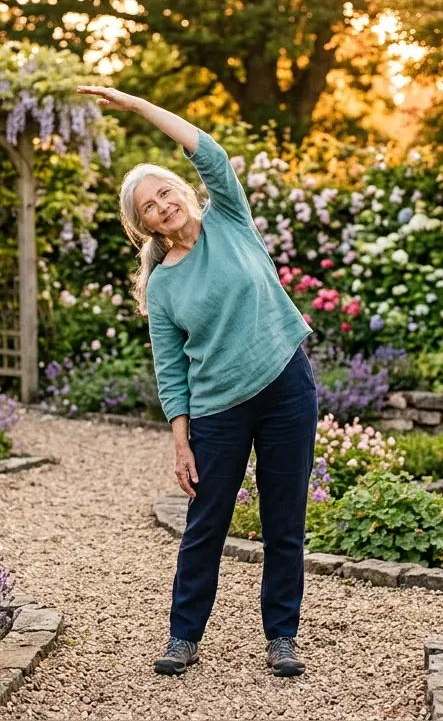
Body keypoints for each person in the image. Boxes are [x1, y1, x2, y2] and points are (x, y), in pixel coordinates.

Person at [76, 85, 319, 678]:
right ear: (144, 227)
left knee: (283, 521)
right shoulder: (162, 286)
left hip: (287, 388)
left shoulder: (228, 219)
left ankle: (281, 636)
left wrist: (135, 106)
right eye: (150, 207)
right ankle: (184, 636)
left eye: (166, 193)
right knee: (205, 525)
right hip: (217, 411)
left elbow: (205, 148)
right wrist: (180, 439)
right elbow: (171, 369)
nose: (163, 205)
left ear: (183, 193)